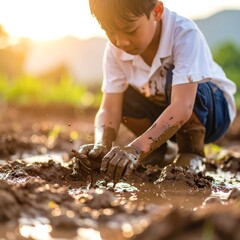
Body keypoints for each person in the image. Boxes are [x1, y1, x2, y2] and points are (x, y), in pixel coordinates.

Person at [73, 0, 236, 183]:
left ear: (157, 11)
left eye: (130, 30)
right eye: (110, 32)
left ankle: (191, 153)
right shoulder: (115, 51)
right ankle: (157, 150)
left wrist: (135, 149)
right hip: (166, 118)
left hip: (212, 113)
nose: (121, 41)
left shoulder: (184, 34)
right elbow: (109, 109)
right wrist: (101, 145)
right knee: (122, 93)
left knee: (177, 78)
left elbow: (183, 105)